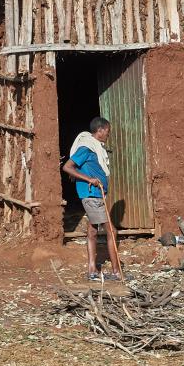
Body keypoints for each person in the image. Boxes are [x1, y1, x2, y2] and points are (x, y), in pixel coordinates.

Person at [62, 116, 121, 281]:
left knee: (92, 231)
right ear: (100, 130)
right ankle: (117, 272)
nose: (108, 135)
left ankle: (92, 270)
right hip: (91, 195)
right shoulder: (86, 148)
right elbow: (67, 167)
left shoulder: (96, 149)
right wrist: (90, 180)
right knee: (112, 231)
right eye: (107, 131)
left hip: (95, 195)